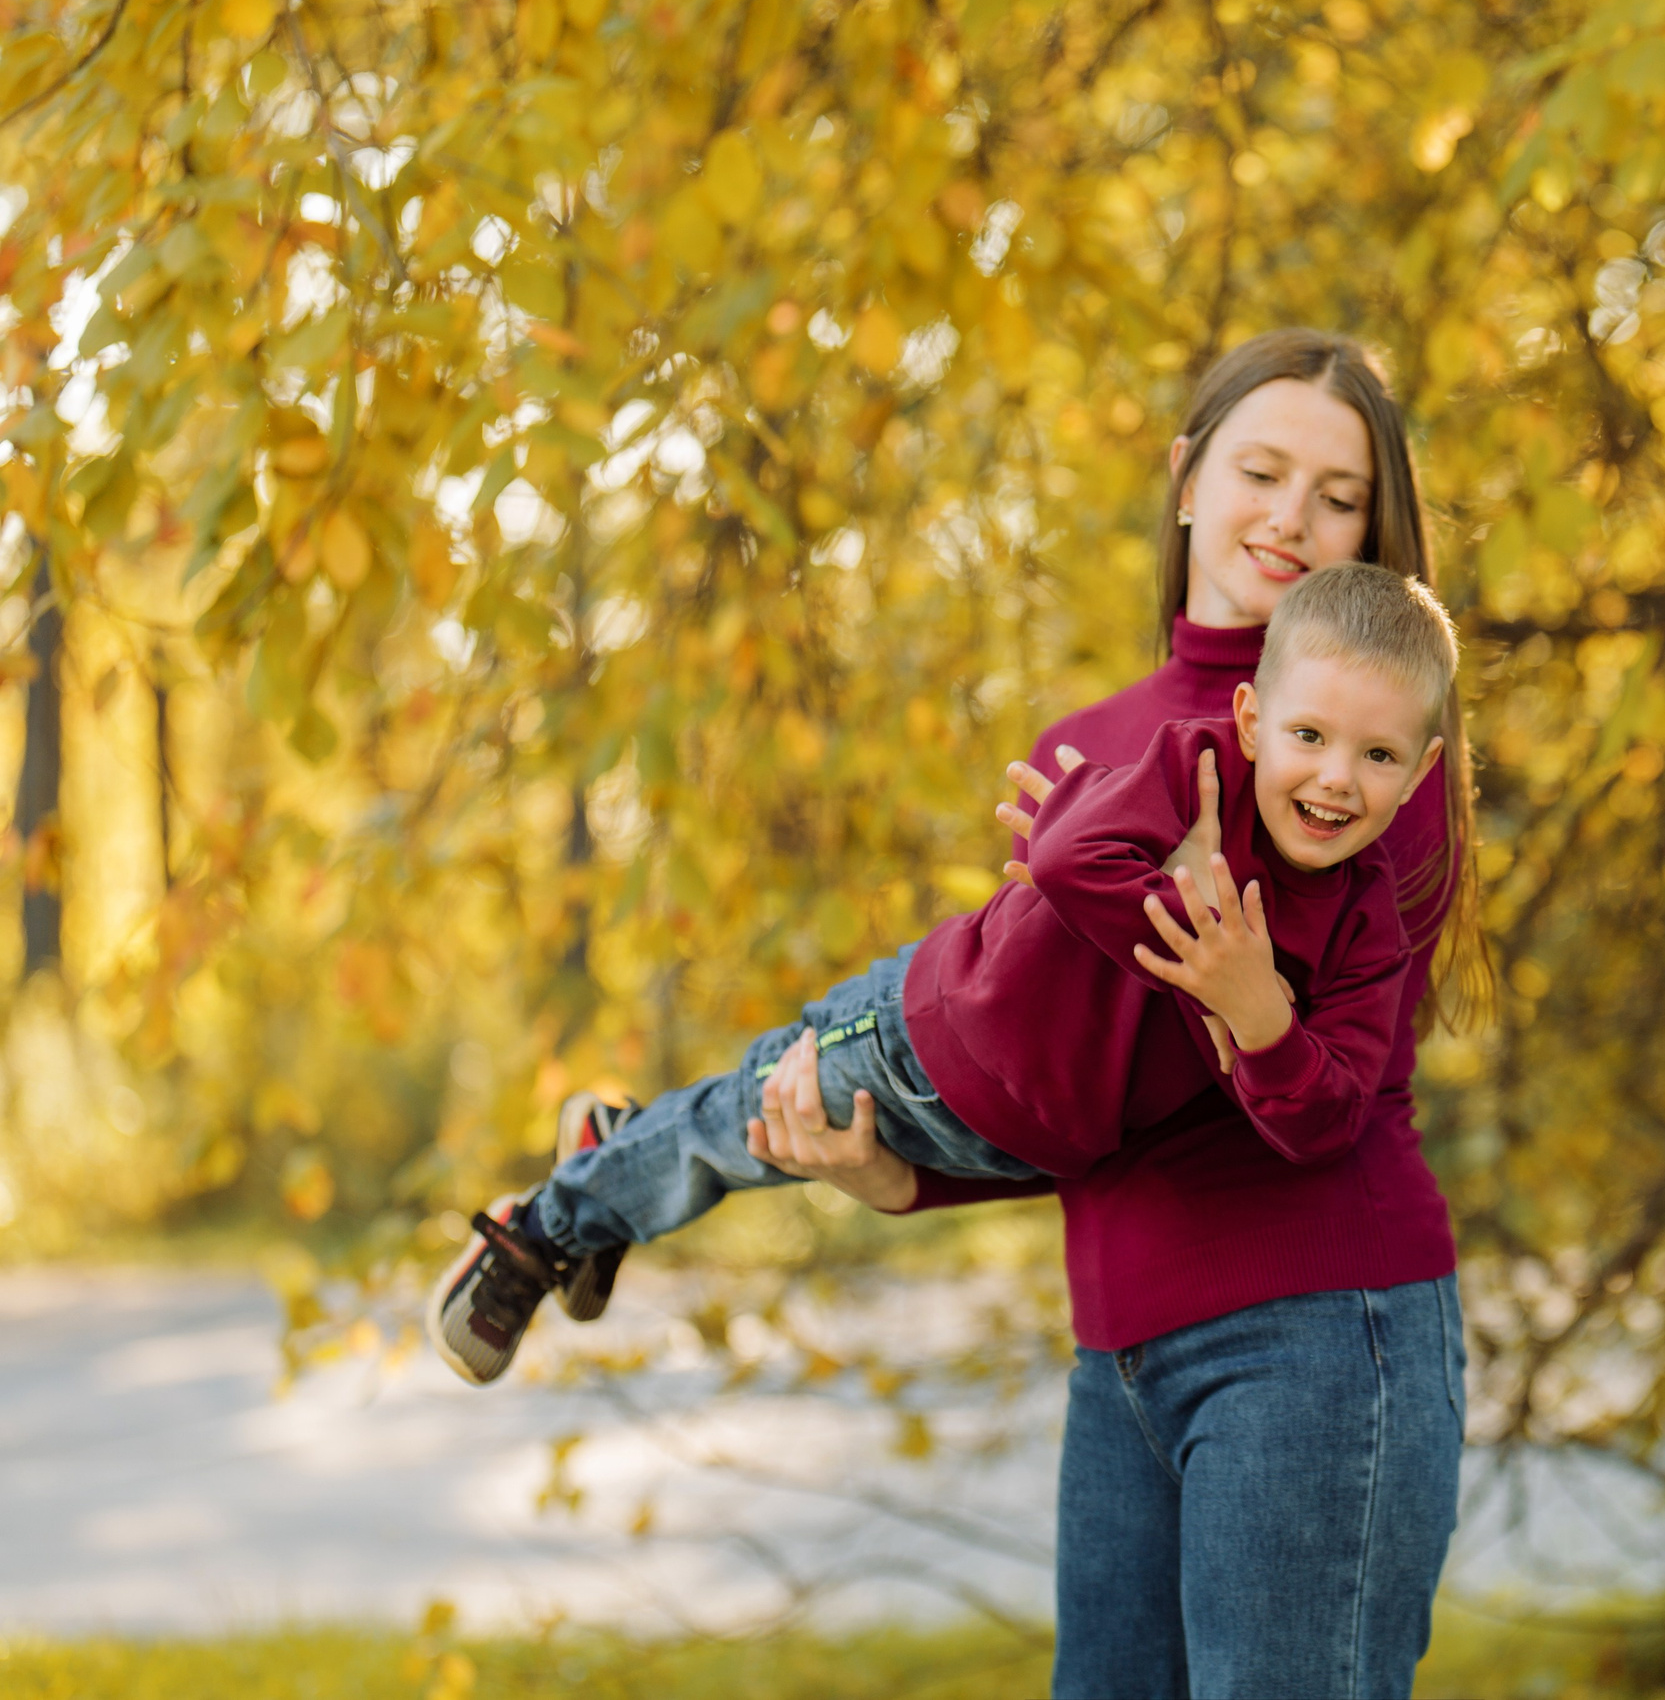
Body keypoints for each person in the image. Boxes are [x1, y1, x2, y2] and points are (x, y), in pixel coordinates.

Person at [750, 328, 1486, 1699]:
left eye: (1340, 495)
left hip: (1317, 1329)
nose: (1295, 517)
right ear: (1188, 477)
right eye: (1266, 470)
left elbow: (1294, 1090)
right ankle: (592, 1190)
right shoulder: (1092, 750)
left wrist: (1234, 982)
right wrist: (894, 1174)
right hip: (1125, 1350)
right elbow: (1065, 1091)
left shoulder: (1367, 747)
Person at [426, 562, 1459, 1390]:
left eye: (1376, 756)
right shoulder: (1189, 771)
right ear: (1249, 723)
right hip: (927, 1038)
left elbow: (1324, 1115)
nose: (1333, 778)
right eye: (1309, 736)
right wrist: (1206, 955)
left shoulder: (1369, 928)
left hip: (1025, 1141)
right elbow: (1063, 861)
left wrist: (1262, 1015)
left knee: (753, 1152)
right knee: (744, 1129)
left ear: (1417, 774)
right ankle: (544, 1229)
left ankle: (610, 1160)